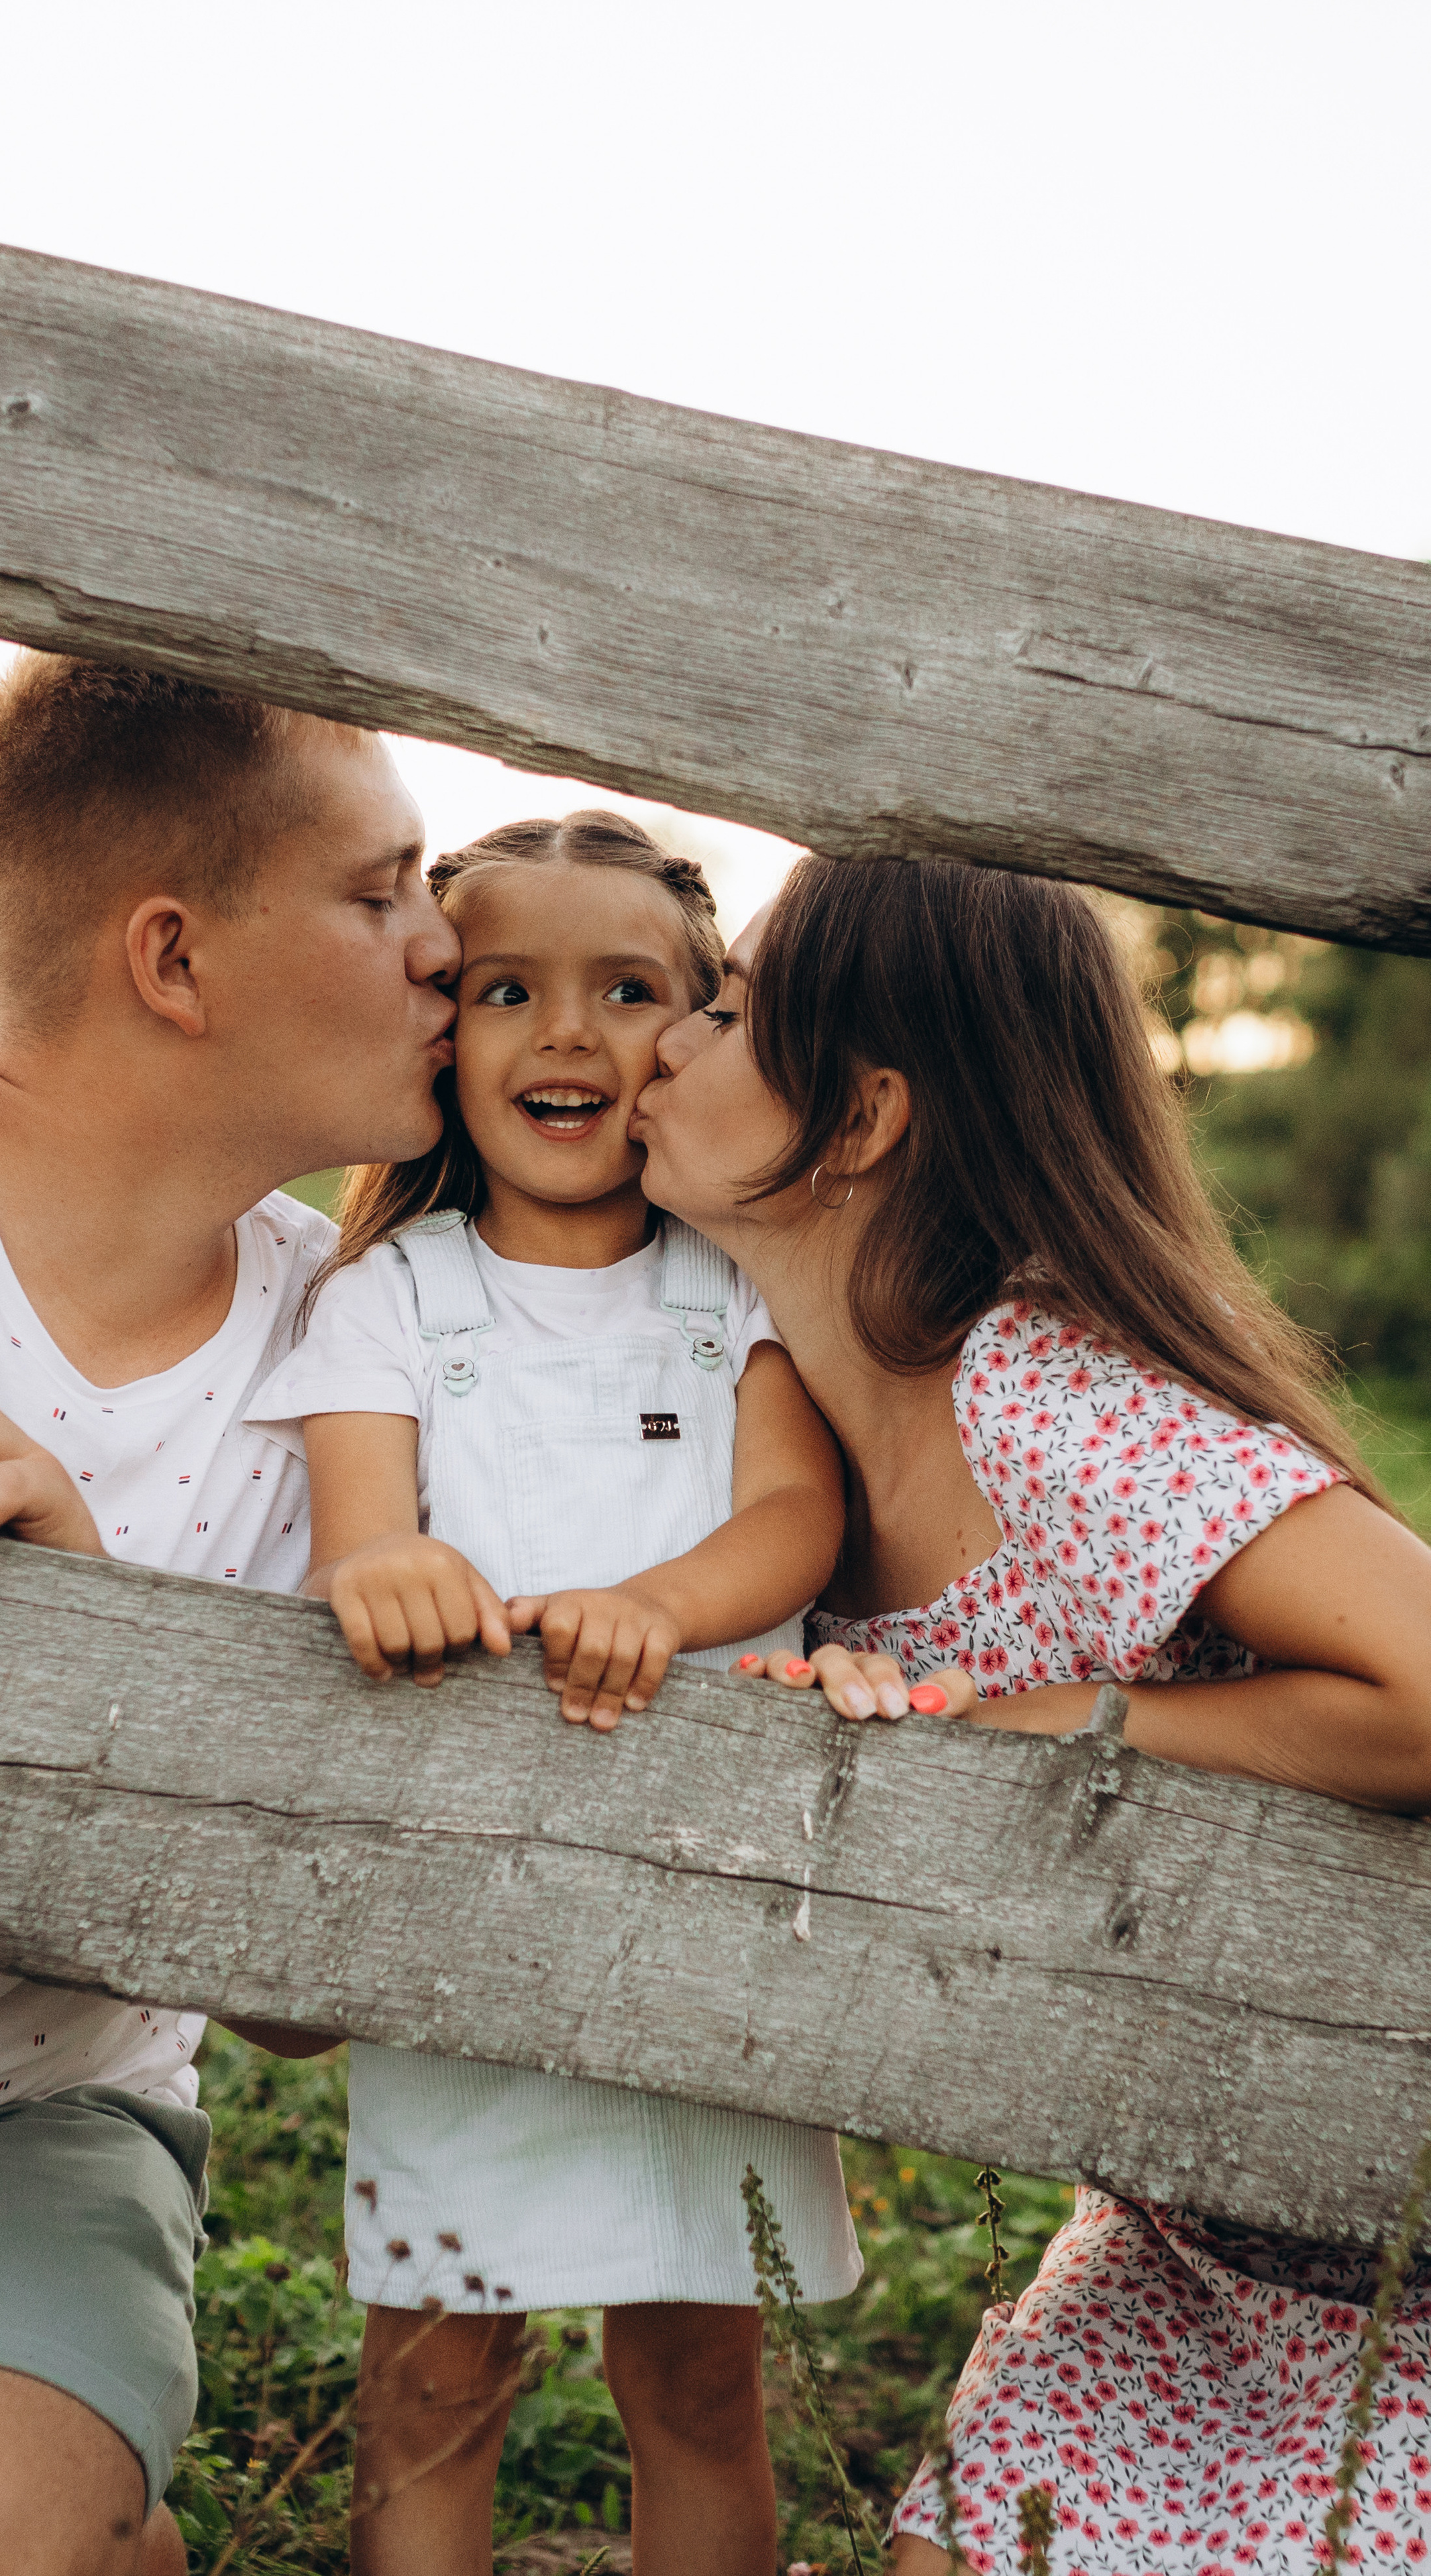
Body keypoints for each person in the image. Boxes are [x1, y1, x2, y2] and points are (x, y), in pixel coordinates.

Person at [0, 655, 460, 2576]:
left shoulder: (370, 1362)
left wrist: (79, 1658)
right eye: (383, 894)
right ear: (175, 959)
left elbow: (305, 2003)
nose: (444, 946)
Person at [631, 851, 1431, 2575]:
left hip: (1400, 2252)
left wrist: (1034, 1720)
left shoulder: (1036, 1399)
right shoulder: (784, 1449)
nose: (668, 1042)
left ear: (857, 1119)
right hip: (1186, 2246)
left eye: (725, 1005)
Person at [250, 812, 859, 2576]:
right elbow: (363, 1543)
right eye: (506, 989)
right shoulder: (395, 1301)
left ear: (696, 1026)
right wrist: (391, 1572)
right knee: (433, 2382)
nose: (568, 1036)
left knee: (692, 2384)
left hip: (705, 1922)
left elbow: (794, 1514)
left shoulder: (727, 1290)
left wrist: (652, 1606)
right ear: (445, 1032)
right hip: (470, 1920)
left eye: (626, 990)